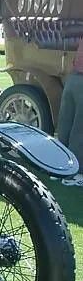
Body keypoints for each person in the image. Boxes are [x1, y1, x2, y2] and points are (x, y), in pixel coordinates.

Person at [57, 36, 83, 186]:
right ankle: (76, 172)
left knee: (65, 123)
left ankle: (61, 165)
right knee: (79, 129)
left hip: (73, 78)